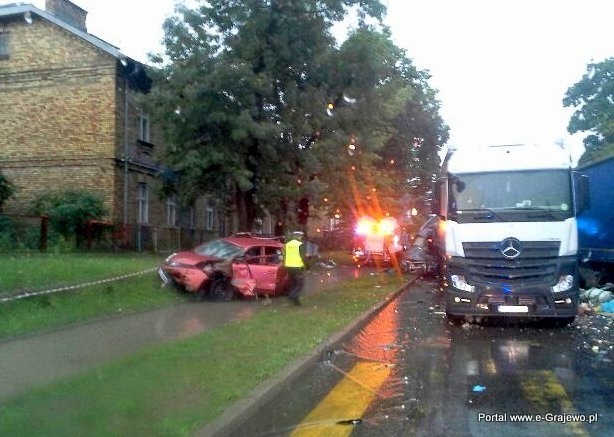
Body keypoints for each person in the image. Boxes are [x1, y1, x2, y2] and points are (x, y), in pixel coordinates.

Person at [283, 231, 307, 305]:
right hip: (298, 267)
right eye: (300, 236)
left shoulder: (287, 245)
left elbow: (284, 255)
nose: (301, 238)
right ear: (297, 236)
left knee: (293, 284)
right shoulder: (300, 245)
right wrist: (307, 266)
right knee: (300, 285)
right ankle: (291, 296)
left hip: (288, 267)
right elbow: (303, 257)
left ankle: (296, 302)